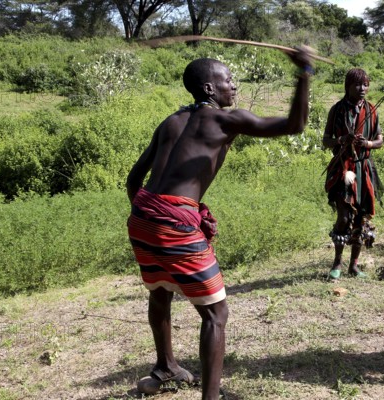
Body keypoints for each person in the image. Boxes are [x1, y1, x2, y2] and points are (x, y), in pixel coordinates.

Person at [126, 47, 313, 399]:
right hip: (174, 221)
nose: (234, 86)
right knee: (216, 313)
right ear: (209, 89)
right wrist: (304, 71)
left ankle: (166, 366)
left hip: (142, 215)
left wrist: (149, 217)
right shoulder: (223, 120)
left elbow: (134, 180)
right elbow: (295, 125)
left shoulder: (170, 120)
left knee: (160, 289)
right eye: (228, 80)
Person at [323, 68, 384, 279]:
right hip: (343, 168)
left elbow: (380, 140)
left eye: (366, 84)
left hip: (364, 168)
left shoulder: (372, 110)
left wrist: (366, 143)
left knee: (361, 218)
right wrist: (341, 141)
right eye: (358, 85)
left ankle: (354, 265)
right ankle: (337, 262)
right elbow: (326, 140)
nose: (362, 89)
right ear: (347, 86)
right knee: (344, 215)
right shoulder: (337, 110)